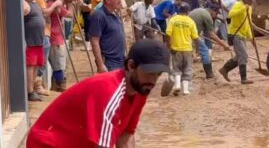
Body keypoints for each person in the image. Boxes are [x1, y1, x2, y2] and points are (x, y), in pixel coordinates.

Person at [26, 39, 171, 148]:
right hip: (48, 143)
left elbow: (126, 134)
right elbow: (103, 145)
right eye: (149, 73)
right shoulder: (110, 92)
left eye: (158, 74)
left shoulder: (140, 91)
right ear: (131, 66)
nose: (153, 81)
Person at [218, 0, 256, 85]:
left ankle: (224, 69)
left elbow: (247, 24)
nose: (252, 2)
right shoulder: (239, 5)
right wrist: (244, 8)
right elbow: (231, 14)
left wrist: (251, 38)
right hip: (235, 34)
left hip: (242, 34)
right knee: (243, 56)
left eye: (252, 0)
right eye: (250, 0)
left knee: (239, 56)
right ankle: (243, 79)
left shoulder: (249, 8)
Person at [33, 0, 62, 96]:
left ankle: (37, 85)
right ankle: (37, 87)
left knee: (41, 61)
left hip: (45, 33)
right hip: (44, 33)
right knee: (42, 61)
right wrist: (55, 4)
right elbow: (45, 13)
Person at [47, 0, 77, 92]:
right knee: (59, 67)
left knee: (61, 65)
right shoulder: (53, 5)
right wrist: (69, 4)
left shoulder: (56, 4)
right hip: (55, 40)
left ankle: (56, 88)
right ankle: (58, 89)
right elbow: (70, 15)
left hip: (59, 39)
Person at [89, 0, 126, 72]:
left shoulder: (115, 13)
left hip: (120, 60)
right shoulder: (99, 15)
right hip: (109, 63)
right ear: (108, 0)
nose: (120, 0)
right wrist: (101, 64)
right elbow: (94, 41)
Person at [166, 2, 199, 96]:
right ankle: (185, 90)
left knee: (176, 68)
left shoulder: (173, 20)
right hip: (188, 49)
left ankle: (177, 86)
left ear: (179, 10)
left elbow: (168, 34)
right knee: (187, 68)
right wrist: (197, 49)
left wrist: (169, 46)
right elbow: (196, 38)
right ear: (188, 11)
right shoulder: (190, 21)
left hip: (176, 48)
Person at [189, 4, 230, 79]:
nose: (216, 16)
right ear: (213, 11)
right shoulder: (207, 17)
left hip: (186, 34)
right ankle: (209, 74)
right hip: (191, 35)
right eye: (216, 13)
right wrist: (224, 45)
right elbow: (212, 35)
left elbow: (205, 31)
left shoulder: (200, 10)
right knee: (205, 51)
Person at [23, 0, 47, 101]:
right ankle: (29, 92)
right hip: (30, 42)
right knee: (30, 67)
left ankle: (32, 90)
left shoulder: (34, 3)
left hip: (39, 42)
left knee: (36, 66)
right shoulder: (24, 3)